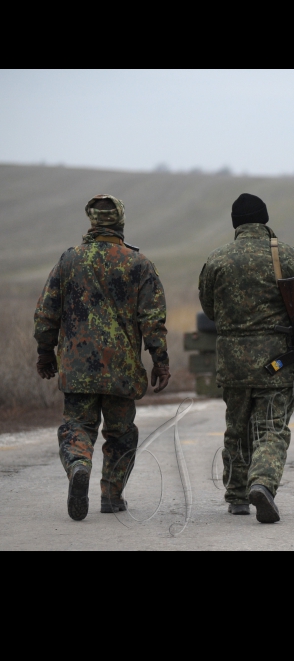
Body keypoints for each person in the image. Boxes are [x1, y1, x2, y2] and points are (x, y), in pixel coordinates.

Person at [34, 195, 170, 521]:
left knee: (77, 427)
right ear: (121, 222)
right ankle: (111, 495)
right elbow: (153, 319)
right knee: (122, 434)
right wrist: (160, 360)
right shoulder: (139, 264)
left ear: (92, 222)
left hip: (77, 368)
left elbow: (46, 312)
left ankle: (79, 465)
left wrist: (45, 352)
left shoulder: (69, 261)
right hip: (121, 372)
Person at [199, 193, 294, 523]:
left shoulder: (217, 259)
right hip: (275, 362)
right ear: (264, 220)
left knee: (236, 427)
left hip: (232, 362)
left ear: (236, 223)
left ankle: (237, 496)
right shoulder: (285, 256)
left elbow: (209, 310)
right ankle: (262, 483)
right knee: (270, 429)